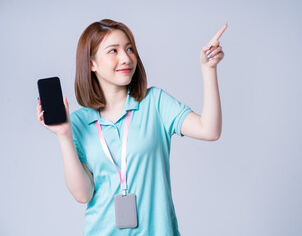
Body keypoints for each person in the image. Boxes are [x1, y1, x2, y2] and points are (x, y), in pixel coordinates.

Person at [36, 19, 226, 235]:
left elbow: (209, 130)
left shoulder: (155, 103)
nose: (126, 58)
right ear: (91, 64)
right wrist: (64, 135)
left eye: (129, 49)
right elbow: (83, 195)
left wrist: (208, 69)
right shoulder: (78, 122)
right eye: (113, 51)